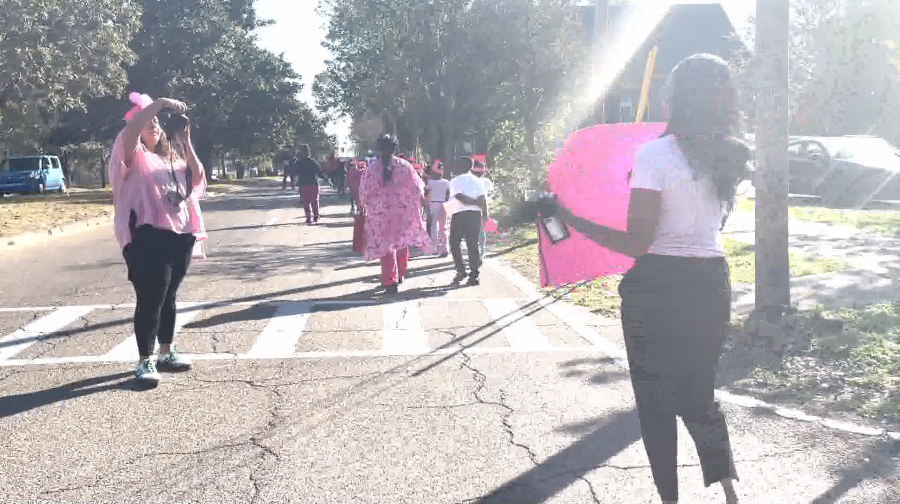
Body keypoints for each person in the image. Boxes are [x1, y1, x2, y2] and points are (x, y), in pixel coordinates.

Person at [554, 54, 747, 504]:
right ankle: (729, 490)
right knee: (700, 394)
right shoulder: (732, 154)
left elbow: (638, 243)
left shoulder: (656, 155)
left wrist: (571, 218)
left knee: (656, 400)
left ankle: (669, 499)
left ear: (676, 96)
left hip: (658, 287)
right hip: (711, 283)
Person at [108, 93, 208, 386]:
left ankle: (166, 352)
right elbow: (131, 130)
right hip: (146, 236)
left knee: (169, 296)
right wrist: (160, 103)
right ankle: (144, 360)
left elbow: (198, 177)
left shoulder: (172, 157)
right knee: (151, 297)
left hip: (180, 234)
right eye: (146, 121)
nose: (152, 124)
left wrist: (185, 141)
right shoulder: (132, 155)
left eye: (156, 121)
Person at [358, 134, 432, 294]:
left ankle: (390, 280)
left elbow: (364, 191)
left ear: (379, 148)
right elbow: (417, 188)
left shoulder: (372, 168)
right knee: (401, 243)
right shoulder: (405, 165)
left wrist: (365, 206)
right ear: (395, 148)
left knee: (386, 247)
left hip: (380, 214)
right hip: (402, 211)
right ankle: (400, 274)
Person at [447, 157, 488, 286]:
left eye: (457, 165)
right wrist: (485, 213)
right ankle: (474, 275)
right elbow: (483, 199)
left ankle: (461, 270)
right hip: (475, 214)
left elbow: (460, 197)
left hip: (460, 214)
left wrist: (475, 203)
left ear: (461, 166)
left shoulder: (455, 180)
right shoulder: (478, 180)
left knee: (454, 243)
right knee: (473, 244)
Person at [426, 162, 451, 257]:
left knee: (433, 227)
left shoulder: (429, 182)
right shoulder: (446, 182)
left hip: (433, 205)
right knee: (443, 227)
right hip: (444, 205)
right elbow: (448, 195)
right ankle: (445, 249)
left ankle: (434, 248)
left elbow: (426, 194)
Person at [295, 144, 321, 224]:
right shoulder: (312, 162)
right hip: (313, 183)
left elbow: (295, 172)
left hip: (303, 184)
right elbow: (319, 172)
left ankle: (309, 217)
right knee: (314, 201)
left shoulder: (299, 163)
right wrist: (325, 178)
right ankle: (316, 216)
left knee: (306, 202)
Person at [472, 160, 494, 257]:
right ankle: (481, 251)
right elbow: (492, 191)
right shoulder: (486, 181)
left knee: (472, 231)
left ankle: (474, 251)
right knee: (482, 231)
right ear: (483, 171)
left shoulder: (470, 180)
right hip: (482, 208)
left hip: (470, 209)